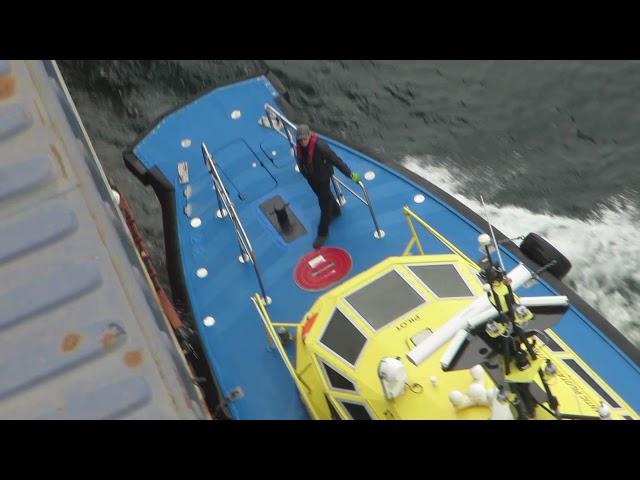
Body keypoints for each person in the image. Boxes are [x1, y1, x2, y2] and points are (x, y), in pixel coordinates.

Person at [295, 124, 360, 248]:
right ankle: (335, 211)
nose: (303, 142)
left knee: (324, 204)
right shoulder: (299, 146)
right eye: (300, 139)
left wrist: (350, 174)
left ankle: (322, 233)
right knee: (325, 196)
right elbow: (301, 161)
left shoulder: (320, 147)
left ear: (309, 136)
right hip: (311, 178)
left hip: (323, 178)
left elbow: (336, 160)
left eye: (305, 139)